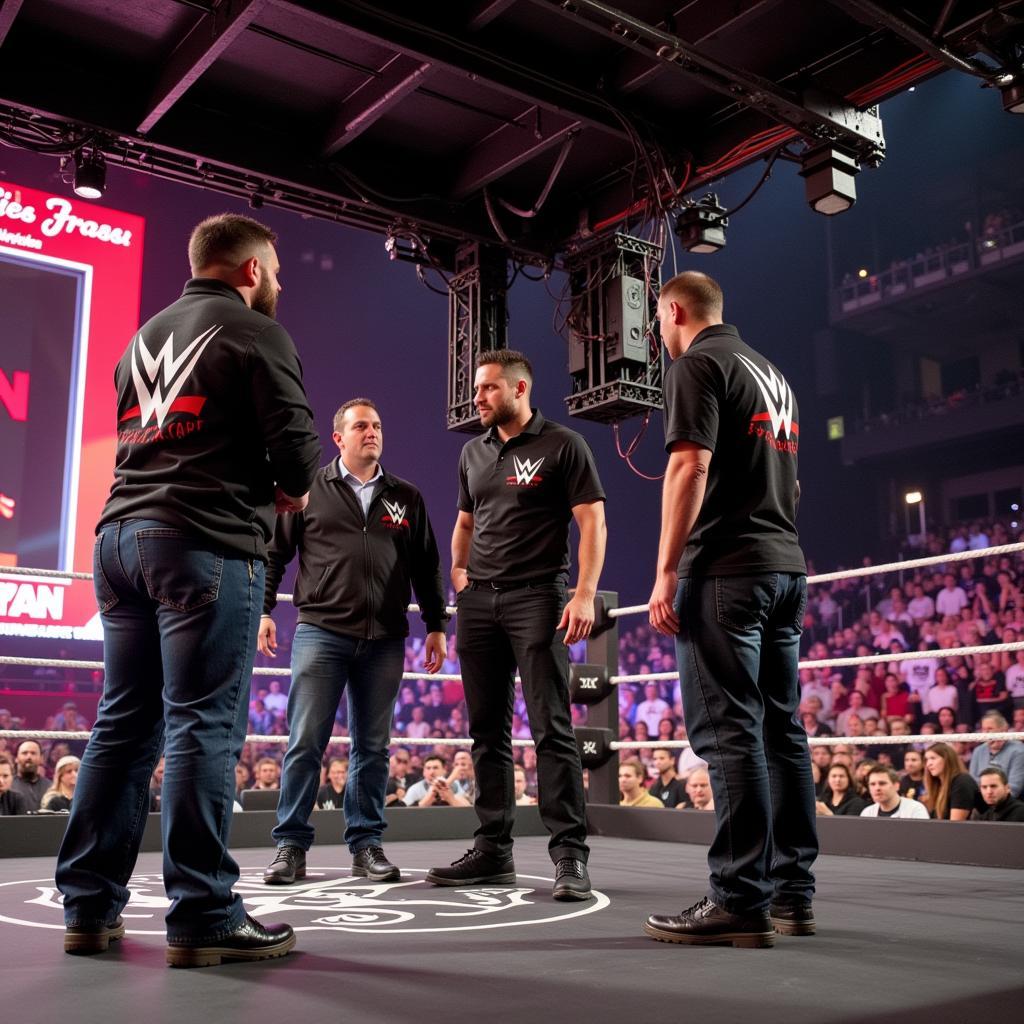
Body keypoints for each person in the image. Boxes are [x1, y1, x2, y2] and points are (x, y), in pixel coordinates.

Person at [54, 213, 321, 968]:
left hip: (118, 541)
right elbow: (300, 456)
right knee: (202, 725)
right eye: (274, 270)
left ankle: (88, 908)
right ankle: (204, 913)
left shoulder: (141, 337)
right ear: (248, 271)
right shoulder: (255, 331)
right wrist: (287, 493)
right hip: (203, 540)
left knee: (122, 724)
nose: (278, 284)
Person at [644, 271, 815, 948]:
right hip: (783, 565)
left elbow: (689, 468)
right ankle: (791, 894)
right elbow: (791, 481)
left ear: (675, 312)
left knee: (730, 733)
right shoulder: (772, 374)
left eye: (659, 322)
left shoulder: (698, 364)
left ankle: (739, 898)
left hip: (726, 572)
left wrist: (664, 571)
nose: (658, 334)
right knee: (781, 732)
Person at [428, 349, 606, 902]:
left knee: (551, 726)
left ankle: (570, 855)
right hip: (479, 603)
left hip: (539, 597)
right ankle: (492, 850)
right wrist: (458, 573)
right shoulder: (472, 452)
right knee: (486, 731)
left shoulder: (563, 444)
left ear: (519, 389)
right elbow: (464, 521)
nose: (476, 398)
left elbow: (592, 520)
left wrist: (583, 594)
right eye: (476, 389)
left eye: (486, 389)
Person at [260, 398, 447, 886]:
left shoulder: (405, 495)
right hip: (321, 630)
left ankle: (367, 846)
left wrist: (436, 624)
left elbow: (427, 565)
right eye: (361, 426)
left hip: (385, 638)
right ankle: (290, 847)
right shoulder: (306, 490)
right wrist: (263, 610)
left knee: (373, 746)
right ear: (338, 437)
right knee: (305, 741)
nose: (372, 432)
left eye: (378, 425)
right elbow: (274, 554)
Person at [968, 711, 1024, 797]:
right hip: (981, 799)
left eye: (990, 729)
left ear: (1003, 730)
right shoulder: (978, 750)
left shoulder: (1019, 750)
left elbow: (1015, 787)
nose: (986, 733)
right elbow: (972, 781)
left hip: (1008, 801)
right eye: (983, 729)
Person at [922, 742, 981, 821]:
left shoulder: (962, 782)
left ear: (947, 759)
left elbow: (955, 825)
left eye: (933, 758)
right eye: (927, 760)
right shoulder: (938, 785)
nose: (928, 764)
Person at [859, 766, 929, 819]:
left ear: (896, 786)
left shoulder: (915, 809)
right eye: (872, 784)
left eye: (882, 783)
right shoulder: (867, 813)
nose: (877, 788)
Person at [404, 755, 471, 807]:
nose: (431, 772)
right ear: (423, 772)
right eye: (428, 768)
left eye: (435, 768)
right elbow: (404, 813)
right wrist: (427, 800)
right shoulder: (415, 789)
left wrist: (451, 799)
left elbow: (468, 809)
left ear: (444, 770)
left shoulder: (455, 786)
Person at [12, 739, 48, 811]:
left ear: (41, 758)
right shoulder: (8, 786)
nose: (29, 757)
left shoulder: (50, 787)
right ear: (16, 758)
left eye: (33, 753)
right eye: (24, 753)